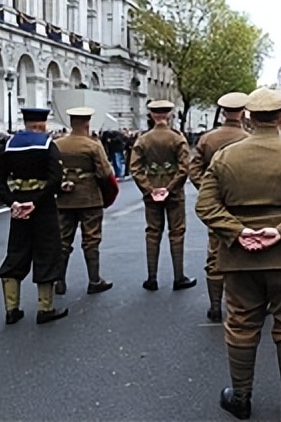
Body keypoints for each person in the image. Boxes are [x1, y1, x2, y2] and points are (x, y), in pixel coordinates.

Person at [196, 87, 281, 421]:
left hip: (239, 257)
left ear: (248, 117)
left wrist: (238, 231)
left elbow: (206, 205)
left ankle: (240, 398)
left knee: (241, 323)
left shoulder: (225, 157)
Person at [0, 108, 68, 325]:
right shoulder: (47, 145)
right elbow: (55, 178)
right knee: (47, 252)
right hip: (42, 206)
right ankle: (45, 308)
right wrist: (35, 201)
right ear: (41, 124)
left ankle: (12, 309)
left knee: (17, 252)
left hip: (18, 207)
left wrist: (14, 202)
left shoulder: (9, 146)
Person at [189, 92, 250, 322]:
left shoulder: (208, 139)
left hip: (218, 204)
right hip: (243, 203)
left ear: (223, 113)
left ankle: (215, 306)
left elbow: (194, 168)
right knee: (245, 251)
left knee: (215, 253)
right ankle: (243, 304)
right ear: (243, 113)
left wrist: (208, 190)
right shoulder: (248, 138)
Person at [129, 100, 196, 292]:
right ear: (169, 115)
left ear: (151, 116)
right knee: (176, 233)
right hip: (173, 193)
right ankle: (178, 277)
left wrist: (150, 189)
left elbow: (135, 168)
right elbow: (184, 168)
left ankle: (152, 278)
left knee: (152, 232)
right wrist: (170, 188)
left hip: (152, 193)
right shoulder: (177, 139)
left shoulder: (143, 139)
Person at [54, 107, 116, 296]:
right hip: (89, 198)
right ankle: (94, 280)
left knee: (63, 240)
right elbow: (105, 173)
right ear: (87, 122)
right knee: (91, 240)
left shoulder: (57, 144)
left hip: (64, 199)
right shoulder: (93, 146)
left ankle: (59, 280)